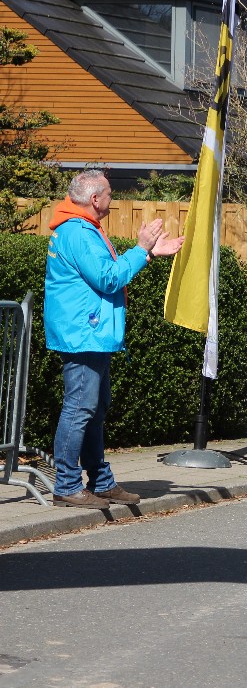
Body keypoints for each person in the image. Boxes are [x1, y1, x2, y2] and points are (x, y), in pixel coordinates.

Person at [44, 170, 183, 507]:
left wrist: (147, 254)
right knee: (80, 408)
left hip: (89, 334)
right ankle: (67, 486)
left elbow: (107, 274)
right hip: (84, 335)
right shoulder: (79, 233)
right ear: (95, 199)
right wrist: (141, 248)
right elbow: (108, 278)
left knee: (93, 409)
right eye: (109, 193)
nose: (113, 199)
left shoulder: (82, 229)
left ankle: (101, 481)